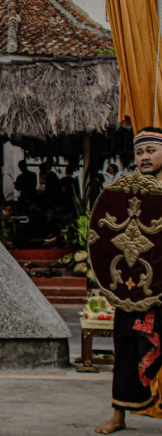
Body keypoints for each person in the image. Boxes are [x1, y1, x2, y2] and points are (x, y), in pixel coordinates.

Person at [95, 127, 162, 434]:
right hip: (132, 290)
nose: (144, 157)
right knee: (124, 351)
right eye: (140, 152)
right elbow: (106, 236)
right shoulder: (124, 190)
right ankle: (118, 416)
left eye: (151, 150)